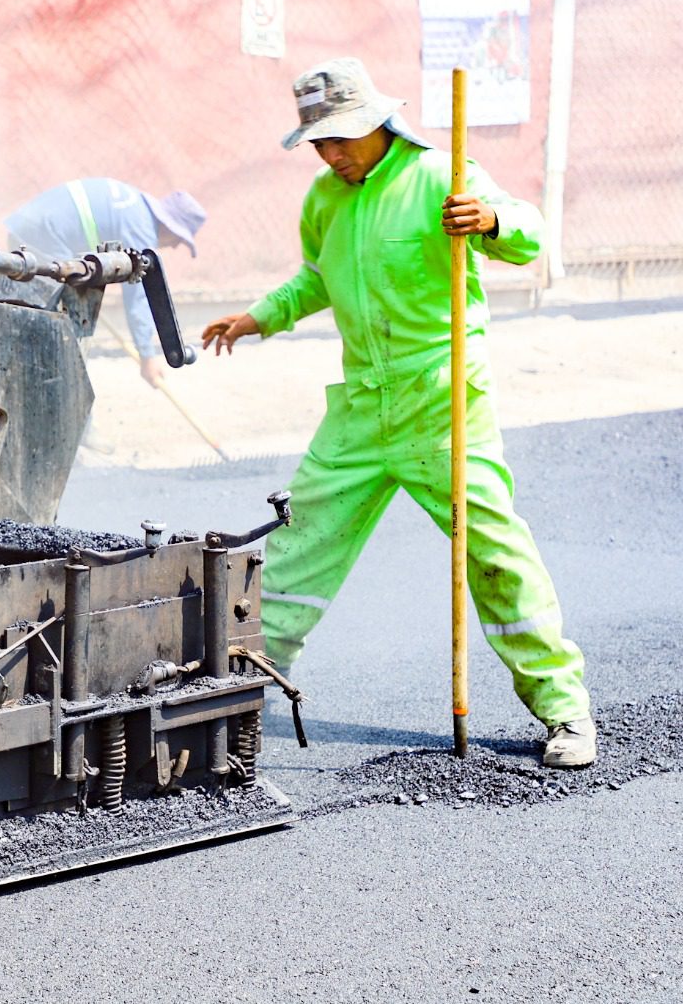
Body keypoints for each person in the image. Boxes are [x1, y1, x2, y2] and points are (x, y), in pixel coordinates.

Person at [201, 57, 595, 768]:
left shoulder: (442, 177)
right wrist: (259, 317)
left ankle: (566, 712)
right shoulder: (325, 199)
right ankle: (236, 697)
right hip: (360, 411)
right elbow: (316, 280)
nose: (329, 153)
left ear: (377, 123)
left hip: (443, 406)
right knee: (295, 551)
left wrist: (492, 218)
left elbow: (529, 237)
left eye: (339, 139)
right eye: (318, 142)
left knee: (497, 554)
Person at [6, 179, 207, 387]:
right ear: (170, 225)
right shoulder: (141, 229)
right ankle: (56, 395)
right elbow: (138, 297)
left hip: (32, 228)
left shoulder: (136, 209)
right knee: (60, 329)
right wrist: (147, 356)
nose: (175, 246)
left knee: (49, 320)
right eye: (179, 239)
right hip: (43, 234)